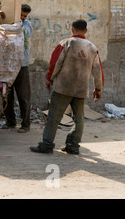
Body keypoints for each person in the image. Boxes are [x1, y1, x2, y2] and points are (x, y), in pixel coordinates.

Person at [30, 19, 104, 154]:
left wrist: (49, 79)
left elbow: (55, 63)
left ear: (72, 29)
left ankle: (47, 145)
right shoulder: (92, 48)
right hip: (81, 89)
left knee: (54, 117)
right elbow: (98, 71)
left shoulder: (66, 43)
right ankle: (73, 146)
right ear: (86, 31)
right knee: (79, 119)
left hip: (63, 87)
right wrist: (97, 89)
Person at [3, 4, 33, 133]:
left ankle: (25, 124)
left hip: (22, 65)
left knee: (23, 96)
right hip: (8, 66)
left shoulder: (26, 25)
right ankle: (10, 122)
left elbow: (25, 33)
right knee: (6, 96)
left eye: (24, 16)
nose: (22, 17)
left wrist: (19, 23)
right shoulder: (7, 24)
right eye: (20, 15)